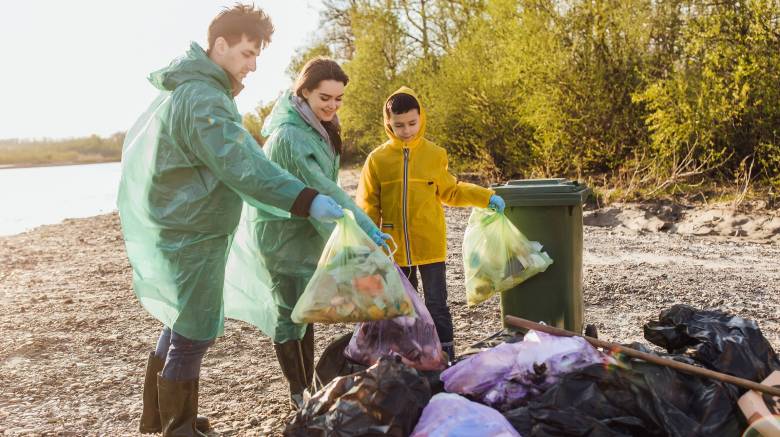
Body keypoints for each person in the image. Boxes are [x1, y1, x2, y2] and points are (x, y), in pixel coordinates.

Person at [117, 6, 344, 436]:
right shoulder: (203, 97)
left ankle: (160, 418)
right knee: (193, 330)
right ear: (219, 45)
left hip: (186, 225)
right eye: (246, 53)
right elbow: (242, 164)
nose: (252, 64)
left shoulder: (196, 89)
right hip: (193, 231)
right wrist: (305, 199)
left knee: (179, 320)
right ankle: (178, 427)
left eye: (257, 55)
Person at [223, 57, 391, 410]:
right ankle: (298, 390)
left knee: (306, 309)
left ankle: (308, 386)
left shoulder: (317, 125)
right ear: (304, 92)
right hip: (282, 234)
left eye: (338, 98)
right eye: (324, 97)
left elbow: (326, 188)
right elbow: (325, 189)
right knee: (289, 312)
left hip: (307, 230)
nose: (332, 105)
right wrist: (366, 228)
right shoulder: (290, 136)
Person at [356, 87, 506, 362]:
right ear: (388, 122)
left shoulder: (435, 154)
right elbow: (368, 204)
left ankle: (445, 355)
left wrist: (486, 197)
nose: (407, 130)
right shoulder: (377, 160)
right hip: (394, 249)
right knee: (401, 308)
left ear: (421, 118)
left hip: (430, 246)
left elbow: (452, 191)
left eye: (412, 123)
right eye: (399, 125)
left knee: (437, 304)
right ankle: (408, 356)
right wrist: (368, 237)